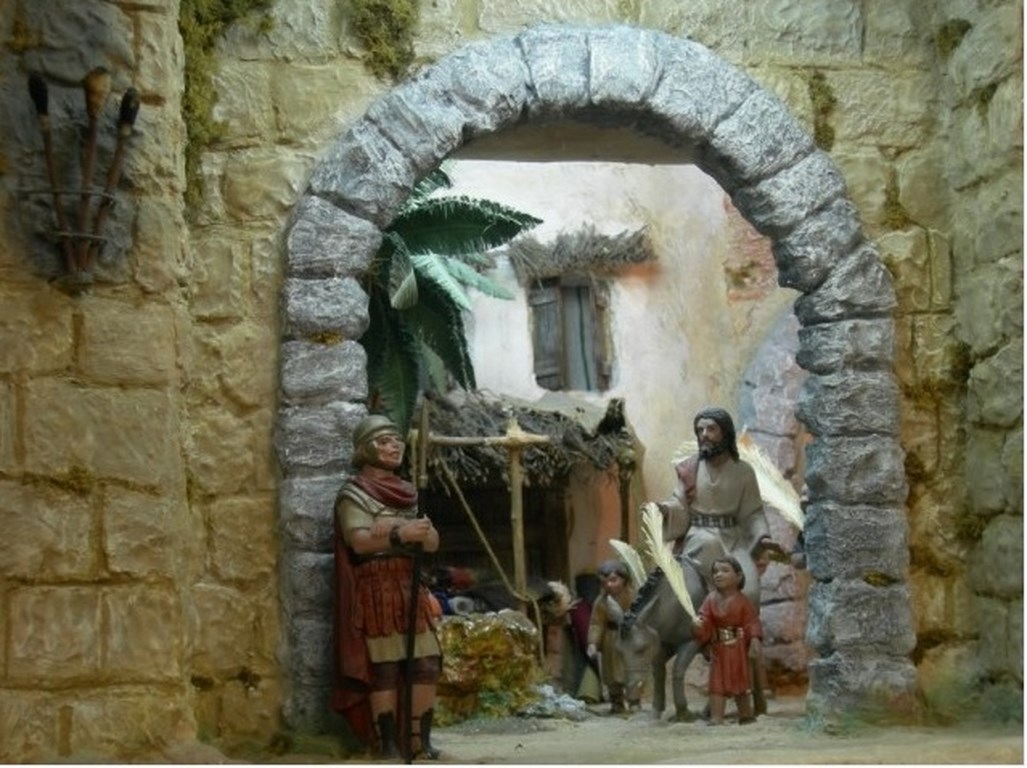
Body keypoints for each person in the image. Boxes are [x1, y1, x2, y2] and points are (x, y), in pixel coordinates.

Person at [332, 414, 442, 759]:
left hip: (409, 584)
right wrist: (401, 533)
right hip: (377, 587)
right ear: (366, 449)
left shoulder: (407, 493)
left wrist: (403, 530)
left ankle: (419, 742)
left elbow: (431, 542)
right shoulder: (355, 493)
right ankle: (388, 744)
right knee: (385, 667)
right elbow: (359, 541)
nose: (395, 446)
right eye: (384, 441)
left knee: (426, 663)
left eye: (396, 440)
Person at [656, 406, 778, 603]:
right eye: (700, 430)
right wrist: (665, 511)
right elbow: (679, 503)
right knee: (701, 577)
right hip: (698, 538)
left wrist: (762, 537)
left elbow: (753, 513)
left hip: (733, 541)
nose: (704, 434)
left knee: (749, 590)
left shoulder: (743, 472)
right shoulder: (690, 468)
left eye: (711, 429)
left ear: (725, 433)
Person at [692, 556, 763, 725]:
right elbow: (705, 620)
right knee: (717, 684)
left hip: (738, 649)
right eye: (715, 571)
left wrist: (754, 639)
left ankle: (745, 714)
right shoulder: (710, 599)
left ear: (738, 576)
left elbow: (752, 622)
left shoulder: (743, 601)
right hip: (719, 650)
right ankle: (716, 717)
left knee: (741, 682)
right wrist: (698, 625)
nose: (719, 574)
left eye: (725, 570)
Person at [586, 559, 639, 714]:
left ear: (624, 579)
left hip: (629, 638)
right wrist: (593, 643)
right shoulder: (601, 602)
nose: (609, 585)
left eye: (613, 580)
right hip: (611, 640)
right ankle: (616, 702)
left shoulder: (634, 597)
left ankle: (634, 701)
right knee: (612, 673)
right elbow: (596, 624)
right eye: (605, 582)